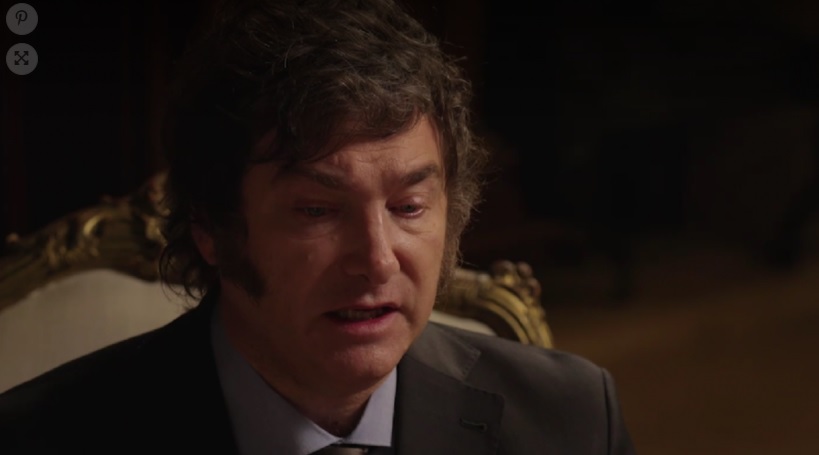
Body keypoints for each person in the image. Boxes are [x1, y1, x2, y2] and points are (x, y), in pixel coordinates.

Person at [0, 0, 636, 453]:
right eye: (317, 211)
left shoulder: (573, 418)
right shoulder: (40, 437)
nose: (377, 260)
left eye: (409, 207)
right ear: (211, 228)